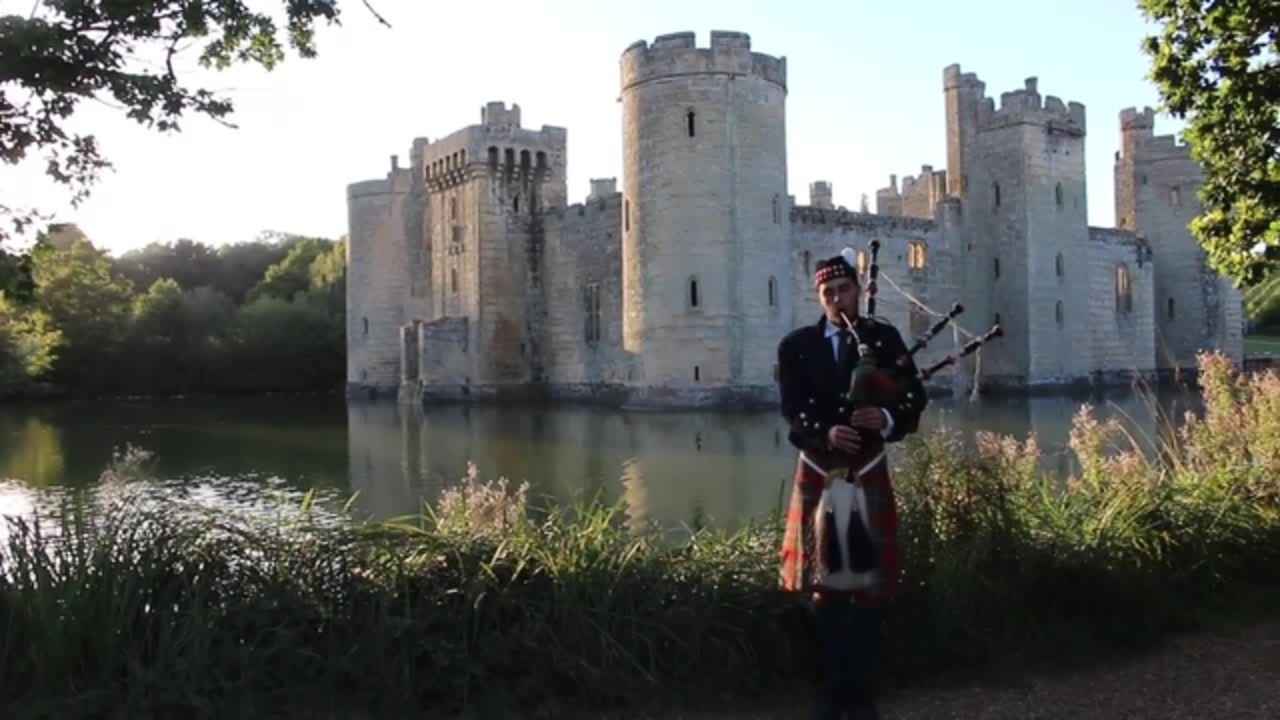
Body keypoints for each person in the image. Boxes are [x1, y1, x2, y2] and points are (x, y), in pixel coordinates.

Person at [776, 252, 928, 719]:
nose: (837, 299)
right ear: (818, 297)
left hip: (867, 467)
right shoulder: (796, 346)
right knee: (824, 589)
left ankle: (858, 694)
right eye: (828, 293)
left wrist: (885, 417)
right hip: (821, 471)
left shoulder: (883, 338)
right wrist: (826, 433)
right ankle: (829, 692)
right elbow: (792, 409)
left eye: (844, 289)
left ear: (858, 291)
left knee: (869, 590)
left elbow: (913, 396)